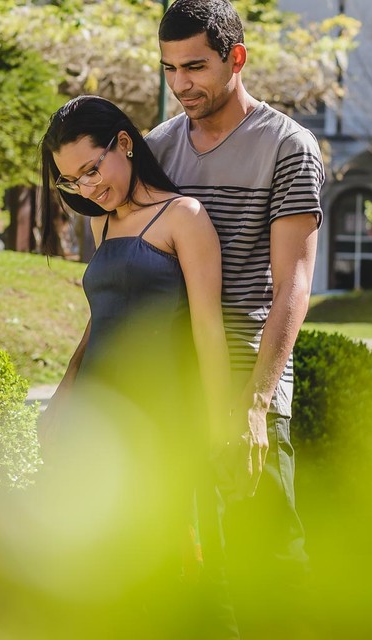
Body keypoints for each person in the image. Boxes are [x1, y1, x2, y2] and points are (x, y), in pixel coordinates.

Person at [150, 0, 321, 633]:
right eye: (170, 68)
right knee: (187, 579)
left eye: (195, 67)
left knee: (269, 566)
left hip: (250, 380)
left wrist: (252, 404)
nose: (181, 84)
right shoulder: (159, 149)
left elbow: (294, 286)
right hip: (170, 384)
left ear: (236, 58)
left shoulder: (288, 147)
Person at [37, 95, 237, 635]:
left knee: (179, 574)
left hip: (162, 420)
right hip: (100, 425)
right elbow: (98, 322)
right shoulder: (103, 227)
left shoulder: (184, 217)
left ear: (124, 143)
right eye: (72, 181)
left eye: (91, 169)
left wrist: (221, 425)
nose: (87, 188)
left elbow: (207, 328)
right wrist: (63, 395)